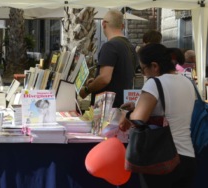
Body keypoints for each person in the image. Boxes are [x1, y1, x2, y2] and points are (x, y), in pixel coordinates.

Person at [119, 43, 196, 188]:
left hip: (162, 158)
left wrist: (127, 114)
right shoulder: (187, 82)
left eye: (143, 69)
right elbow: (173, 109)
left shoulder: (154, 83)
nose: (143, 74)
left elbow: (138, 119)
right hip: (187, 157)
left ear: (154, 66)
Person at [79, 10, 137, 108]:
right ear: (122, 26)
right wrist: (95, 81)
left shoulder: (110, 46)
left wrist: (87, 90)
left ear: (104, 24)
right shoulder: (130, 46)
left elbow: (105, 78)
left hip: (108, 108)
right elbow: (120, 74)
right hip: (123, 104)